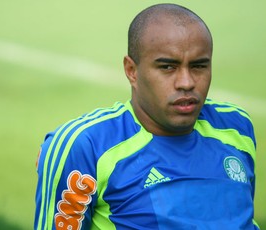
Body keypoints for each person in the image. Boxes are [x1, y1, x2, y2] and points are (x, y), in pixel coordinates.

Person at [34, 3, 259, 230]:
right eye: (168, 67)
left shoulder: (236, 126)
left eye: (198, 66)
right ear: (131, 71)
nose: (187, 82)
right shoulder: (85, 147)